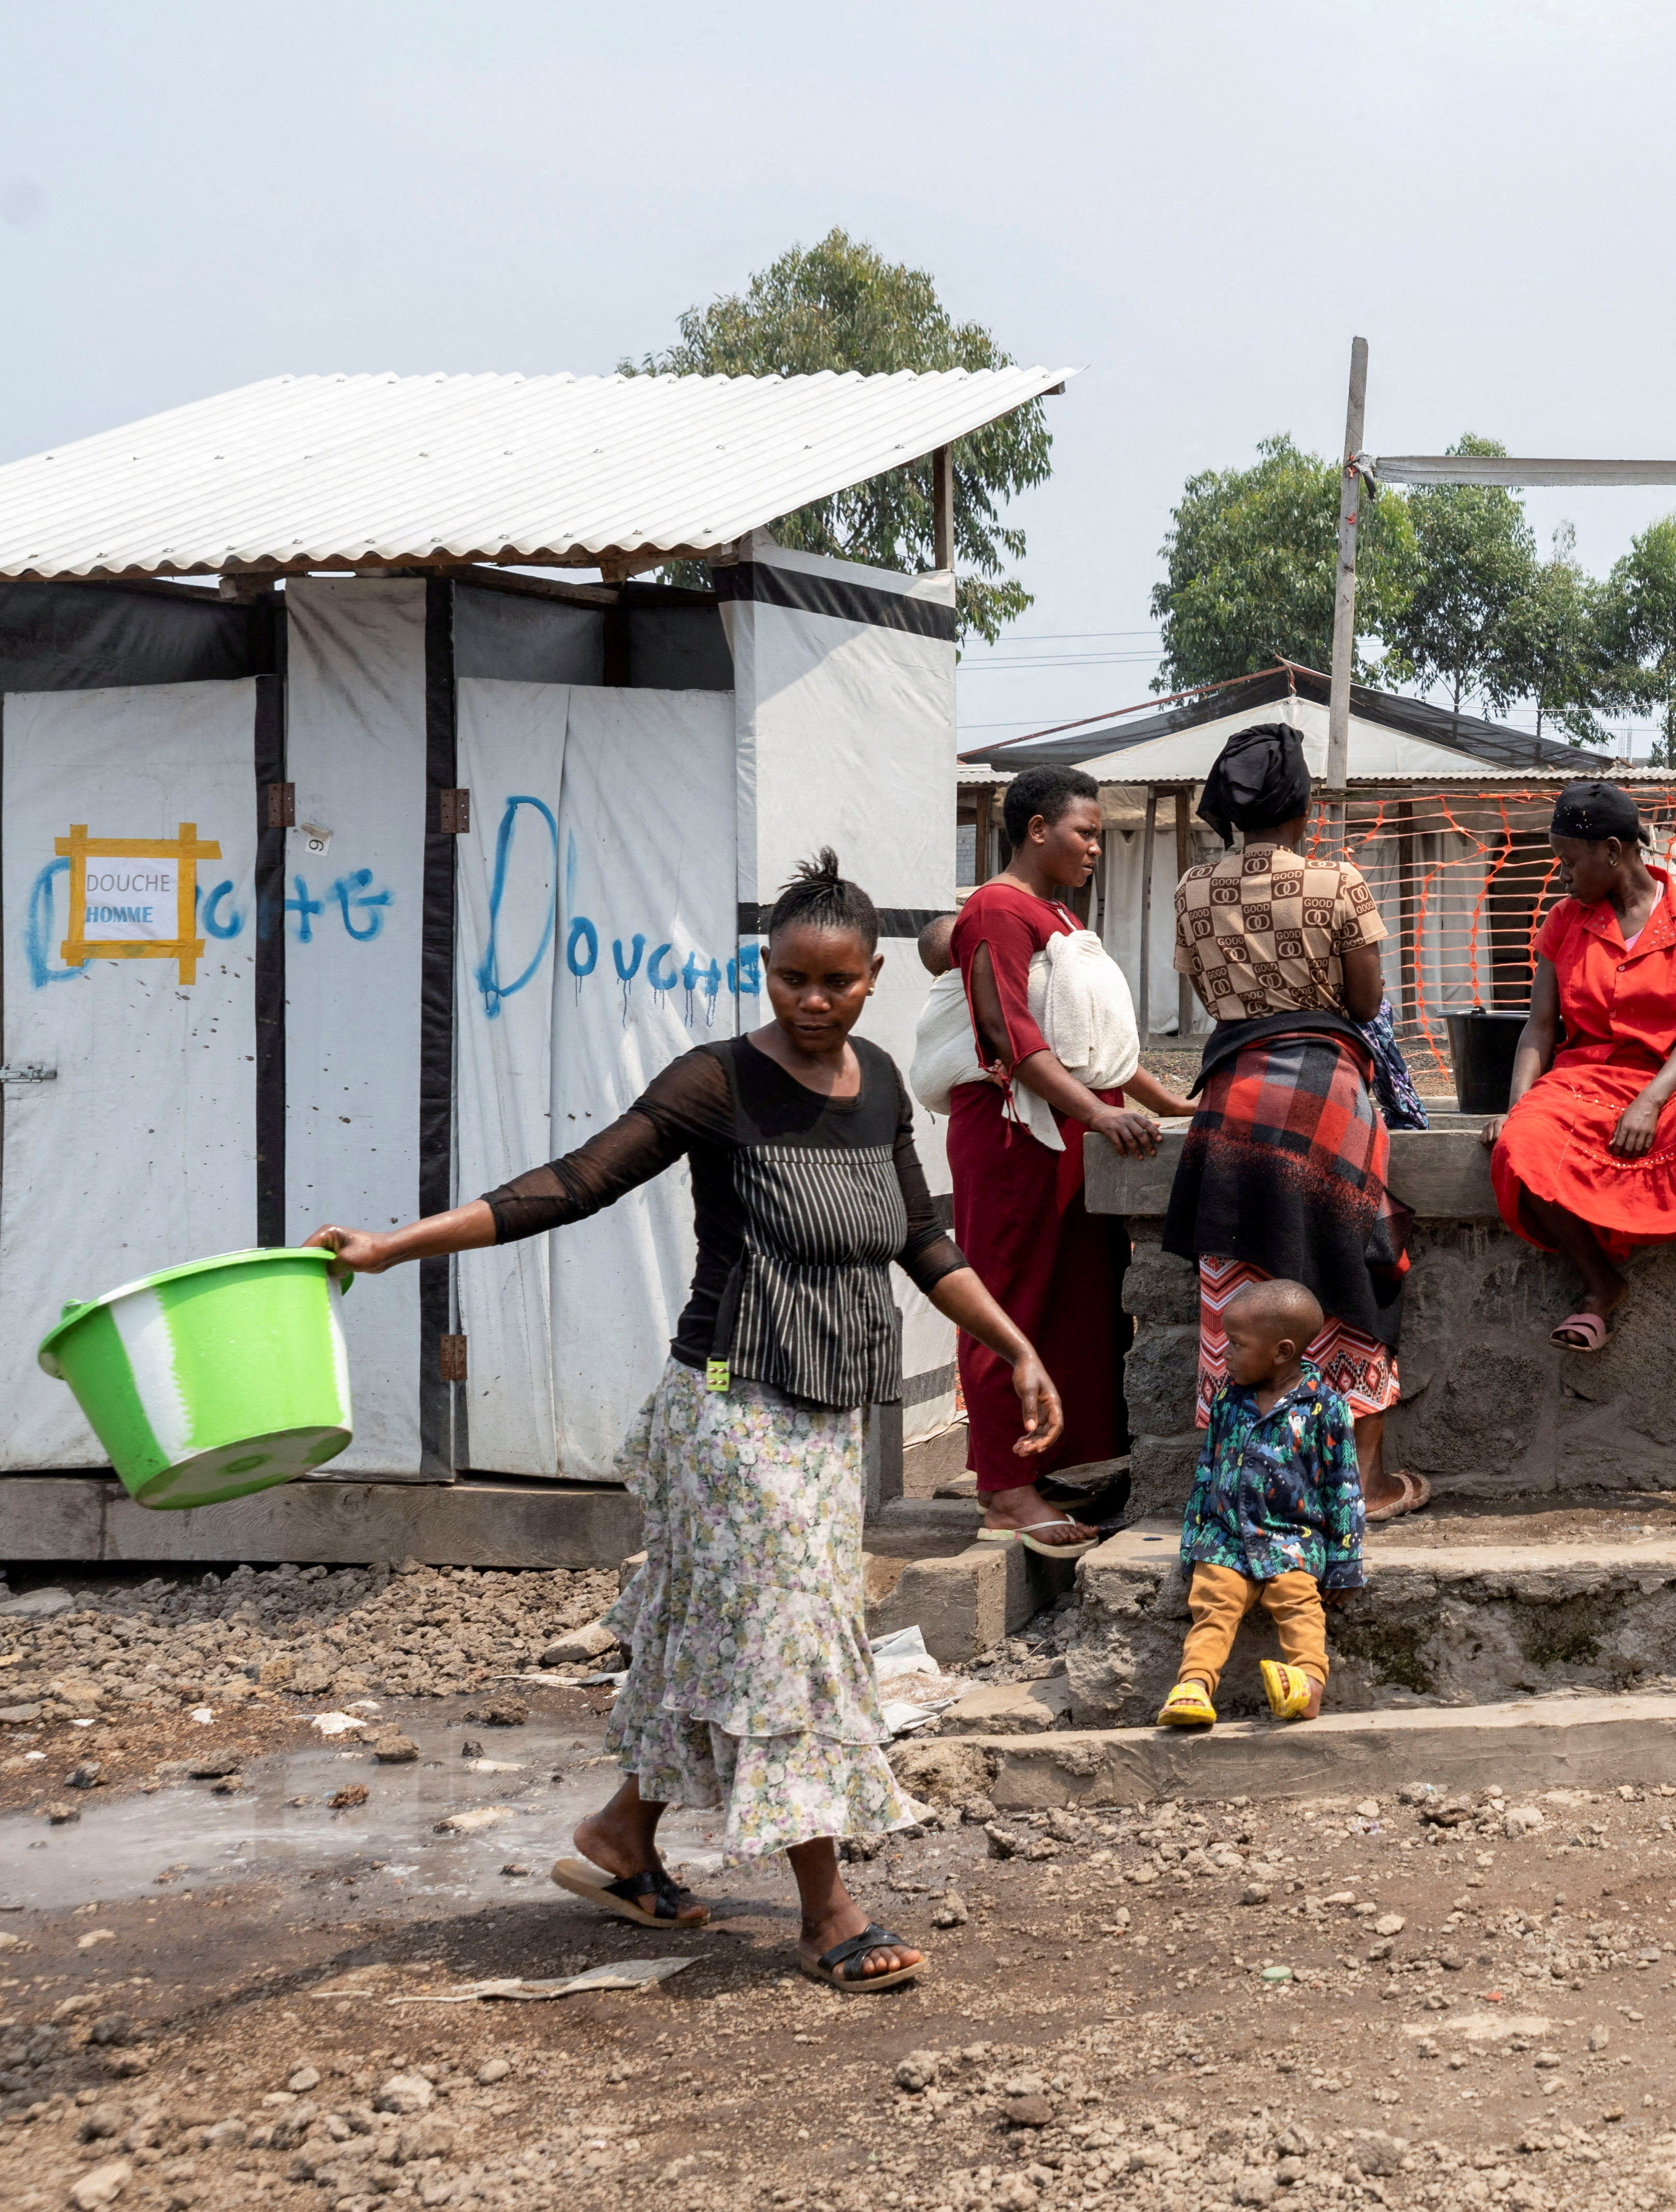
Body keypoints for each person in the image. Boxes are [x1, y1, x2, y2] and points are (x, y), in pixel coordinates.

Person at [307, 854, 1063, 1993]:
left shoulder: (878, 1087)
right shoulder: (715, 1082)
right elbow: (569, 1185)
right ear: (765, 970)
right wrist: (393, 1245)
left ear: (870, 982)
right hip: (727, 1408)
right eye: (793, 978)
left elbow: (921, 1241)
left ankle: (621, 1836)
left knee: (709, 1634)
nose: (814, 1001)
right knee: (795, 1643)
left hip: (821, 1417)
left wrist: (1013, 1345)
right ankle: (827, 1908)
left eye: (839, 981)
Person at [1163, 723, 1430, 1522]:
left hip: (1233, 1092)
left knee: (1239, 1288)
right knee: (1356, 1270)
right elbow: (1365, 1003)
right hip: (1324, 1097)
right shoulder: (1337, 882)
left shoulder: (1191, 890)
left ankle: (1242, 1485)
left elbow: (1210, 1002)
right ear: (1306, 803)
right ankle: (1366, 1486)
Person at [1484, 781, 1676, 1402]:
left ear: (1612, 850)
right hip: (1581, 1079)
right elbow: (1540, 1028)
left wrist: (1652, 1100)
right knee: (1520, 1147)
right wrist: (1517, 1105)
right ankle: (1602, 1287)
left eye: (1569, 860)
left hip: (1671, 1078)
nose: (1562, 873)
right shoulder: (1562, 921)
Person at [946, 764, 1191, 1548]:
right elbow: (1008, 1034)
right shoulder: (994, 910)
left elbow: (1093, 1050)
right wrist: (1096, 1113)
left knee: (1076, 1300)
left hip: (1074, 1135)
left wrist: (1168, 1104)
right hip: (1018, 1135)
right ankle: (1004, 1488)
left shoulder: (1052, 912)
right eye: (1084, 832)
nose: (1093, 846)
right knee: (1008, 1296)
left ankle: (1050, 1464)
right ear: (1037, 829)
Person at [1159, 1278, 1363, 1730]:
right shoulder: (1228, 1402)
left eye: (1234, 1343)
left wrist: (1345, 1560)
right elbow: (1207, 1472)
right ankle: (1193, 1687)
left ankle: (1307, 1688)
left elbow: (1343, 1485)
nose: (1222, 1354)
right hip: (1227, 1539)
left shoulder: (1325, 1408)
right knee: (1214, 1602)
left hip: (1292, 1540)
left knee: (1298, 1603)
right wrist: (1194, 1540)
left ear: (1282, 1351)